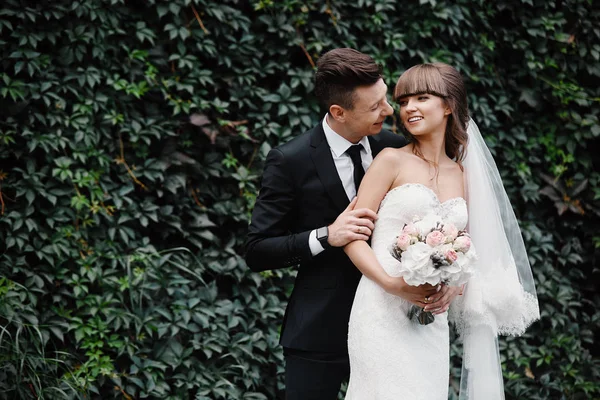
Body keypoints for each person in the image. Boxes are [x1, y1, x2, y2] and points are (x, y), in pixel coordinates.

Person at [244, 48, 438, 399]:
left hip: (390, 323)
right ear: (338, 112)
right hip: (318, 331)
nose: (390, 110)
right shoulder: (291, 160)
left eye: (385, 98)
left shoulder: (394, 149)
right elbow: (257, 250)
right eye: (376, 106)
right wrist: (326, 235)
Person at [343, 63, 540, 399]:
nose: (409, 108)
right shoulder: (390, 160)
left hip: (430, 319)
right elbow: (352, 236)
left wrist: (455, 287)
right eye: (404, 101)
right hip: (378, 308)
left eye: (421, 98)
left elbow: (471, 250)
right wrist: (392, 284)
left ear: (448, 106)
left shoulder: (463, 174)